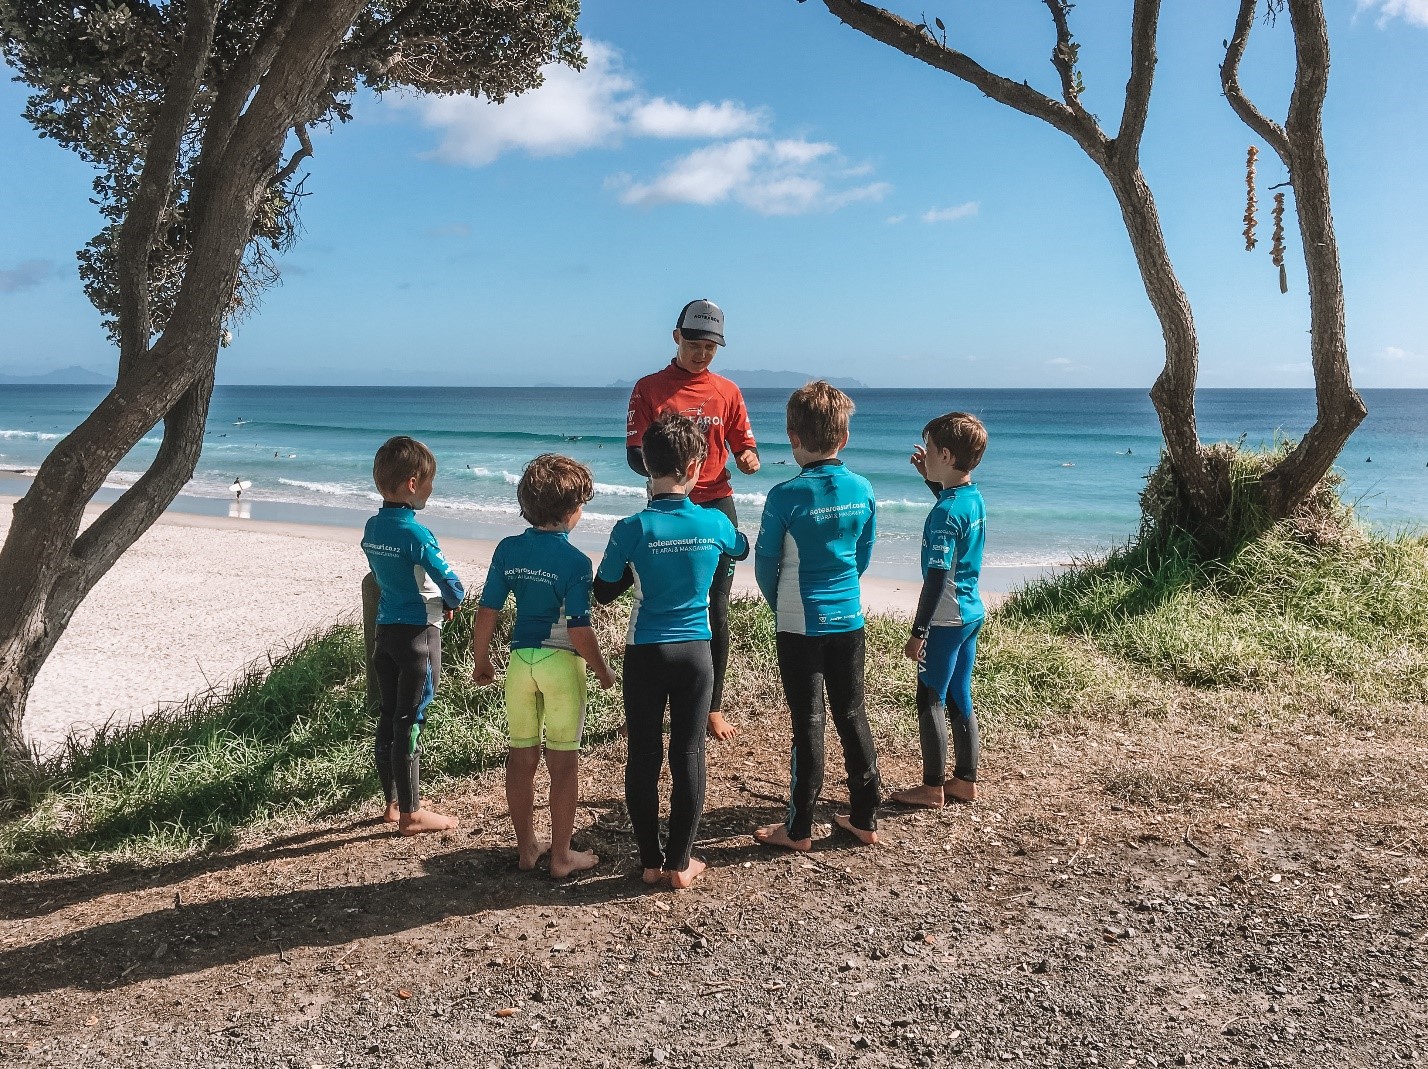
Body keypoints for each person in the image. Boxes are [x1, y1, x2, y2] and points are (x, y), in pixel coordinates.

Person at [595, 413, 750, 889]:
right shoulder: (715, 522)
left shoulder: (630, 527)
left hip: (645, 652)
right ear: (697, 466)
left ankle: (649, 861)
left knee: (643, 754)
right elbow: (741, 548)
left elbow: (604, 590)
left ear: (645, 464)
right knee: (688, 752)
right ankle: (680, 863)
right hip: (695, 653)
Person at [471, 454, 616, 878]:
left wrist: (482, 660)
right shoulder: (575, 562)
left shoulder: (508, 549)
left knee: (521, 757)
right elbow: (578, 631)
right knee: (563, 763)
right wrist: (604, 671)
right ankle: (561, 857)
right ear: (573, 511)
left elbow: (486, 612)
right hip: (560, 667)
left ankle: (526, 848)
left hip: (520, 663)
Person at [751, 382, 882, 851]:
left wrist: (777, 604)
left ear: (792, 435)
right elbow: (863, 554)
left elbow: (766, 564)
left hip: (798, 622)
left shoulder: (785, 495)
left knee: (808, 721)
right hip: (849, 616)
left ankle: (799, 828)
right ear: (843, 438)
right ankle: (865, 817)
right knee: (852, 714)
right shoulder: (862, 488)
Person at [625, 299, 759, 741]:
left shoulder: (728, 391)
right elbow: (633, 455)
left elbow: (742, 442)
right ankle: (650, 694)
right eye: (696, 344)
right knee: (661, 600)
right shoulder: (648, 389)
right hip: (665, 508)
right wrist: (672, 482)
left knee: (715, 608)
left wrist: (747, 457)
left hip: (717, 505)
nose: (703, 354)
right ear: (676, 337)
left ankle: (712, 706)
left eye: (712, 347)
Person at [361, 436, 465, 834]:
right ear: (412, 483)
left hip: (384, 631)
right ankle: (411, 813)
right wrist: (453, 598)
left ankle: (391, 803)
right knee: (411, 719)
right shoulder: (417, 534)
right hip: (420, 636)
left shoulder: (373, 526)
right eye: (429, 482)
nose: (431, 489)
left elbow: (378, 565)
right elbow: (450, 582)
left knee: (388, 716)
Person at [890, 412, 989, 808]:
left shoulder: (944, 514)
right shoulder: (971, 497)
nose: (924, 454)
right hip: (971, 612)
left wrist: (919, 632)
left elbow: (934, 578)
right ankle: (965, 780)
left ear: (946, 454)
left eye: (929, 449)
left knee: (930, 695)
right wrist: (929, 479)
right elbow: (953, 512)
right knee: (958, 693)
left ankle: (932, 788)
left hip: (945, 619)